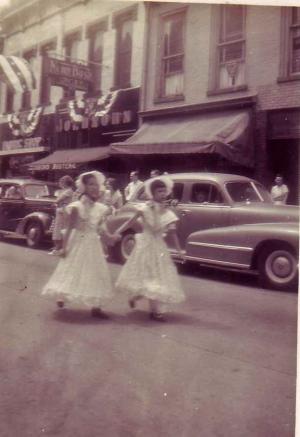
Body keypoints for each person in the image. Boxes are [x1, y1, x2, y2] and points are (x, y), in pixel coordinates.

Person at [42, 171, 120, 317]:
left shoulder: (101, 208)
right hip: (77, 242)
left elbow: (101, 229)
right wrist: (63, 248)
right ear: (84, 187)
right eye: (91, 184)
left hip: (93, 244)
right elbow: (70, 228)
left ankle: (96, 307)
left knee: (96, 272)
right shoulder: (76, 207)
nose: (95, 187)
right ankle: (62, 295)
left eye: (97, 185)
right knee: (71, 269)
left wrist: (111, 237)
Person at [115, 176, 185, 322]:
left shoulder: (168, 213)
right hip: (145, 245)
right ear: (153, 193)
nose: (163, 194)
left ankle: (156, 311)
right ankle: (137, 297)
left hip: (159, 247)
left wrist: (179, 251)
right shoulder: (144, 208)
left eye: (164, 191)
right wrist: (117, 232)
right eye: (160, 191)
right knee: (145, 276)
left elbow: (172, 233)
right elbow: (130, 221)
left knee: (158, 277)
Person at [49, 175, 75, 255]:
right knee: (58, 228)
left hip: (63, 211)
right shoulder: (65, 190)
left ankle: (58, 248)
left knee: (59, 228)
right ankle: (58, 247)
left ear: (65, 183)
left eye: (61, 182)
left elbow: (59, 200)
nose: (60, 183)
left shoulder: (68, 191)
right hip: (61, 210)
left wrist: (55, 203)